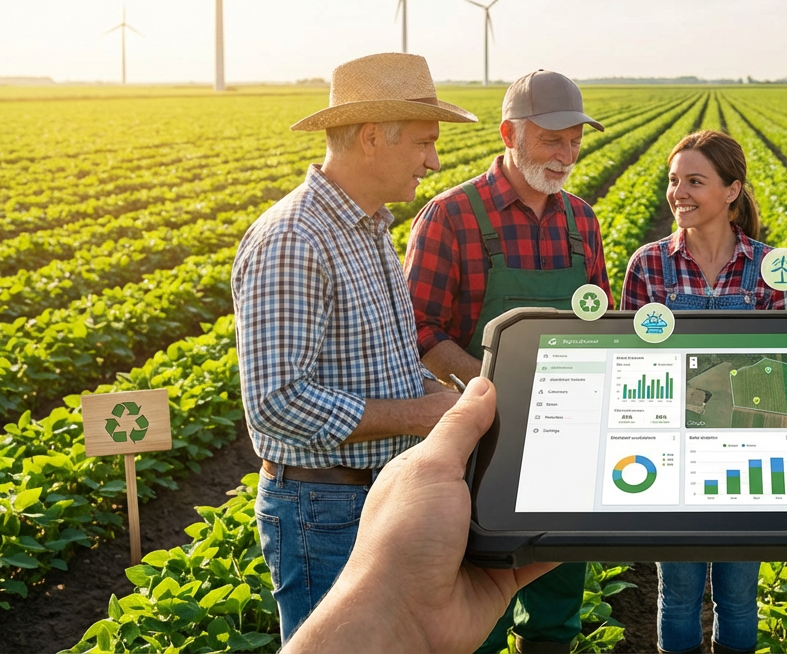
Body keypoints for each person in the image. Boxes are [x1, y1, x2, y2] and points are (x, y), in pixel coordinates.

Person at [231, 52, 475, 642]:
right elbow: (276, 403)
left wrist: (461, 400)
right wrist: (426, 414)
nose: (433, 161)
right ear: (371, 137)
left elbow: (394, 364)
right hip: (323, 508)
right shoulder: (294, 239)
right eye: (423, 142)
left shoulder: (370, 231)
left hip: (375, 493)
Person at [404, 69, 611, 654]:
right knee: (476, 611)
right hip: (481, 447)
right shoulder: (451, 216)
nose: (567, 153)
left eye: (574, 139)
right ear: (508, 133)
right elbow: (419, 331)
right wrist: (498, 388)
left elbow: (601, 323)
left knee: (557, 603)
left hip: (566, 443)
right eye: (552, 139)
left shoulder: (582, 221)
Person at [620, 130, 787, 654]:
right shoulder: (648, 265)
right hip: (672, 454)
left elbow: (778, 377)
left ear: (732, 190)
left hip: (747, 455)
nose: (679, 193)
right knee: (677, 595)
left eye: (695, 181)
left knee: (739, 598)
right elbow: (631, 370)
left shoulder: (769, 267)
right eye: (674, 181)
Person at [285, 377, 560, 654]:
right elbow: (277, 403)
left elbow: (403, 366)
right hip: (326, 490)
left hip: (404, 484)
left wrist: (405, 617)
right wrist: (418, 412)